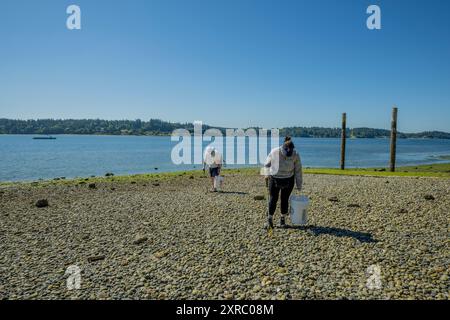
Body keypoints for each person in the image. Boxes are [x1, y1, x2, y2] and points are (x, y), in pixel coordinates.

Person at [263, 136, 302, 229]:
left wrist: (299, 184)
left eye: (290, 153)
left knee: (285, 199)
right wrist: (266, 176)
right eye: (286, 152)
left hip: (288, 179)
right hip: (275, 178)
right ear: (282, 148)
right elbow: (266, 165)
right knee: (273, 198)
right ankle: (270, 218)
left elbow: (298, 170)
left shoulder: (295, 154)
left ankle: (282, 219)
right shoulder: (274, 152)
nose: (288, 154)